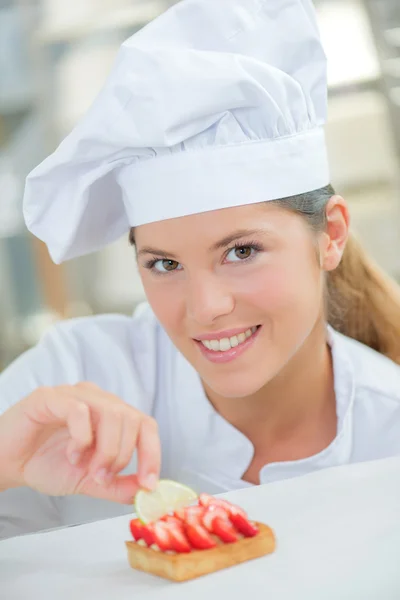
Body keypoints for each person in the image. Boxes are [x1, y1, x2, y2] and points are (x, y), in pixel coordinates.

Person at [2, 0, 400, 541]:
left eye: (241, 252)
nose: (206, 306)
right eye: (164, 263)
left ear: (330, 235)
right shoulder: (74, 375)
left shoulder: (389, 433)